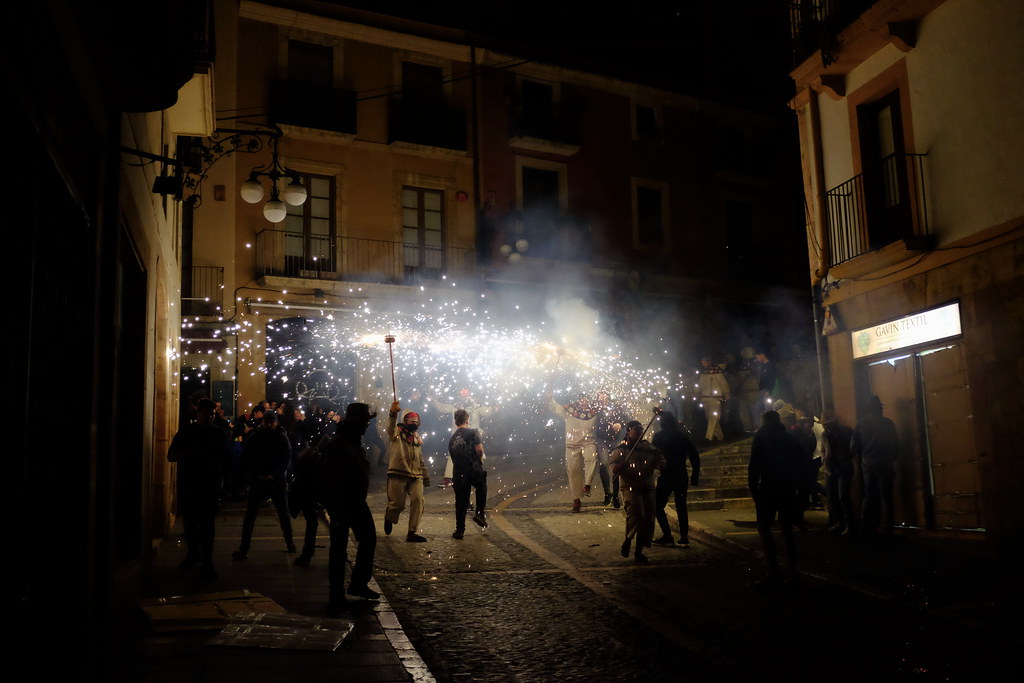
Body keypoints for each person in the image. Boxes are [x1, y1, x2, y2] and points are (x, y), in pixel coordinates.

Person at [318, 402, 380, 615]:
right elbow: (335, 478)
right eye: (364, 422)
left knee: (366, 539)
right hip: (343, 502)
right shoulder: (341, 444)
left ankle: (357, 584)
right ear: (356, 423)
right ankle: (336, 594)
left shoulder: (349, 440)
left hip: (353, 501)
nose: (366, 426)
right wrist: (335, 505)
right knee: (339, 548)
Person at [167, 398, 229, 579]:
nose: (210, 417)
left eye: (212, 414)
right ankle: (194, 555)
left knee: (206, 524)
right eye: (207, 413)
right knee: (192, 523)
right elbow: (171, 455)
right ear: (198, 413)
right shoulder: (187, 432)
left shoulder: (217, 433)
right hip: (191, 484)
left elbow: (226, 458)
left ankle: (205, 560)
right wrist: (190, 453)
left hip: (208, 485)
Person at [748, 410, 803, 588]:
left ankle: (774, 573)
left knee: (765, 529)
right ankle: (793, 573)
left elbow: (754, 465)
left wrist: (753, 488)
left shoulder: (761, 438)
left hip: (768, 488)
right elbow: (801, 462)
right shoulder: (789, 438)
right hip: (787, 488)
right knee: (787, 531)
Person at [232, 410, 296, 560]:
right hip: (267, 480)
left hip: (266, 480)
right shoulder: (277, 437)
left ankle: (245, 548)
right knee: (275, 514)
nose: (268, 425)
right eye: (266, 422)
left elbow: (285, 458)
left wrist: (268, 474)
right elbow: (284, 459)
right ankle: (288, 542)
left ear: (275, 422)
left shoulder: (260, 437)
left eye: (270, 422)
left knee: (268, 514)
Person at [611, 419, 666, 563]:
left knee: (648, 518)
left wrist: (661, 464)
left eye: (641, 432)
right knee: (636, 512)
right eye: (636, 432)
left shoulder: (649, 448)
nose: (639, 434)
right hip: (630, 486)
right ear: (629, 432)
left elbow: (661, 461)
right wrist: (620, 466)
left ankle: (639, 550)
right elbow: (614, 468)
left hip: (647, 486)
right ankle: (628, 539)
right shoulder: (621, 449)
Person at [851, 395, 900, 537]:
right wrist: (892, 458)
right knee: (886, 497)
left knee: (869, 496)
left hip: (868, 464)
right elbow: (895, 443)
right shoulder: (888, 423)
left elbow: (854, 446)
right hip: (885, 464)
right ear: (879, 409)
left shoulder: (861, 424)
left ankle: (866, 528)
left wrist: (862, 456)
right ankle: (888, 529)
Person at [651, 411, 700, 547]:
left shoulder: (659, 437)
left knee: (657, 506)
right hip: (680, 475)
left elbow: (653, 455)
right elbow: (694, 455)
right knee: (681, 506)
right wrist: (694, 476)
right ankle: (684, 537)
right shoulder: (682, 436)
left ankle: (667, 535)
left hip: (666, 475)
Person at [384, 400, 430, 542]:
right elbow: (390, 428)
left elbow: (419, 458)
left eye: (416, 421)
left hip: (416, 475)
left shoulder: (416, 438)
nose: (414, 423)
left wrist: (425, 475)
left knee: (418, 501)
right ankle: (389, 516)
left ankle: (412, 532)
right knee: (398, 505)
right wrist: (393, 414)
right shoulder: (397, 433)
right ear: (404, 420)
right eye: (411, 421)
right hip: (398, 473)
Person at [547, 390, 599, 513]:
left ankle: (587, 484)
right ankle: (576, 499)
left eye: (586, 399)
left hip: (589, 443)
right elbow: (556, 408)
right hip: (572, 445)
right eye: (582, 399)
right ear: (578, 401)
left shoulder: (595, 412)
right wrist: (550, 399)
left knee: (592, 458)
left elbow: (607, 414)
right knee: (573, 471)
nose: (584, 402)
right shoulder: (569, 410)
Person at [446, 409, 488, 539]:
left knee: (461, 501)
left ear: (455, 422)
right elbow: (479, 450)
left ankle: (459, 530)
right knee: (481, 487)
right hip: (473, 468)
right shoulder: (473, 432)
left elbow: (453, 457)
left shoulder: (452, 439)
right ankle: (480, 513)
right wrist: (479, 460)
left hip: (459, 473)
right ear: (467, 420)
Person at [820, 409, 856, 536]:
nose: (827, 426)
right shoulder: (824, 435)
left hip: (844, 468)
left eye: (829, 423)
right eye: (826, 424)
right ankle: (840, 523)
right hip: (831, 468)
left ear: (835, 422)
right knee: (832, 497)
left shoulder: (847, 431)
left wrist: (845, 456)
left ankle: (849, 525)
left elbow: (854, 449)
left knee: (843, 496)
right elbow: (823, 450)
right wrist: (825, 463)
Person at [595, 391, 626, 507]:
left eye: (604, 398)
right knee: (603, 465)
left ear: (608, 398)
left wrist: (620, 424)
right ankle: (607, 493)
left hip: (615, 440)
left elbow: (626, 419)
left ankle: (616, 495)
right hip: (601, 440)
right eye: (600, 398)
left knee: (616, 468)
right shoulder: (595, 409)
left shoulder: (616, 407)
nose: (602, 400)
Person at [698, 357, 731, 444]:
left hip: (715, 398)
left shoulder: (716, 371)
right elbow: (699, 385)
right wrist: (695, 391)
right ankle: (720, 437)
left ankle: (708, 437)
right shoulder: (703, 373)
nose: (703, 364)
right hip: (705, 398)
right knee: (710, 418)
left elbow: (723, 383)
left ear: (709, 362)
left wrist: (726, 393)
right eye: (702, 362)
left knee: (713, 417)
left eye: (704, 362)